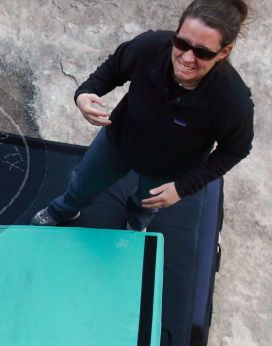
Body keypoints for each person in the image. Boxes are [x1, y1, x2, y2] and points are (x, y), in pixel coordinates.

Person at [32, 0, 253, 231]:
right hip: (117, 141)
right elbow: (115, 67)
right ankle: (64, 208)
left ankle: (136, 224)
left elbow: (235, 149)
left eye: (202, 52)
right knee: (83, 184)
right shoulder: (150, 46)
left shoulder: (232, 101)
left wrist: (182, 188)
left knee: (146, 205)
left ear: (224, 52)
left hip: (169, 167)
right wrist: (85, 92)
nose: (187, 58)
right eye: (181, 43)